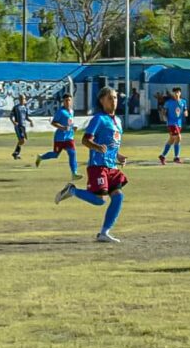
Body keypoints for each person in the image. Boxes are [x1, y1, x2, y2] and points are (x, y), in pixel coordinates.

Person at [54, 86, 128, 243]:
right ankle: (72, 190)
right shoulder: (98, 119)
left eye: (115, 98)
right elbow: (85, 140)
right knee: (100, 200)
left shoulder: (118, 121)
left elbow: (112, 144)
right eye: (110, 98)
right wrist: (96, 147)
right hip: (97, 165)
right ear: (102, 100)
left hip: (111, 167)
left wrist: (118, 156)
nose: (114, 101)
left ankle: (104, 233)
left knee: (118, 197)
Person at [36, 94, 83, 179]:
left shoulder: (71, 111)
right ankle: (41, 157)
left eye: (69, 100)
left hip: (69, 137)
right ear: (63, 102)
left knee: (72, 153)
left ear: (71, 101)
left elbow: (69, 123)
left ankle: (74, 173)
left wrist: (74, 127)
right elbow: (54, 122)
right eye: (66, 100)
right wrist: (62, 127)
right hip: (60, 138)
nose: (68, 102)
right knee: (55, 155)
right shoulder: (60, 112)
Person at [159, 87, 188, 164]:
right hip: (171, 123)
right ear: (173, 93)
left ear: (180, 93)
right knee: (178, 137)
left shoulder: (183, 101)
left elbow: (185, 110)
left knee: (172, 140)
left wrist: (186, 113)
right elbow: (164, 111)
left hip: (179, 123)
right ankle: (176, 157)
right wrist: (164, 116)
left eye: (178, 92)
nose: (176, 94)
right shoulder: (169, 102)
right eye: (175, 92)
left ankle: (162, 156)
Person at [9, 94, 34, 160]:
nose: (24, 100)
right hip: (18, 126)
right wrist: (14, 122)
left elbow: (26, 117)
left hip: (23, 126)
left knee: (23, 140)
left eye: (24, 99)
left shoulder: (25, 108)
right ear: (20, 99)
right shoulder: (16, 107)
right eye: (22, 99)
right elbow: (10, 116)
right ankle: (16, 153)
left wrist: (31, 121)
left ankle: (16, 153)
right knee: (22, 140)